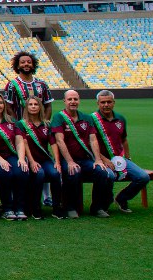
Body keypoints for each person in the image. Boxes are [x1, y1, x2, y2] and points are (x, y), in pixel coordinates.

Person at [51, 89, 113, 218]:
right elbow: (59, 141)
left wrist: (98, 160)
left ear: (79, 100)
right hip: (67, 160)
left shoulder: (87, 118)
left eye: (75, 99)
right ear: (64, 101)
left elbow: (93, 139)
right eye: (70, 99)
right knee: (73, 172)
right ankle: (71, 207)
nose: (73, 102)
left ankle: (97, 207)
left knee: (101, 172)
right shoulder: (58, 117)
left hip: (85, 159)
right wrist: (69, 161)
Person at [92, 90, 150, 213]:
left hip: (119, 159)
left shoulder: (120, 118)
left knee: (143, 177)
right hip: (102, 160)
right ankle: (104, 203)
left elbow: (124, 139)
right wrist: (104, 159)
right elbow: (90, 144)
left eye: (109, 102)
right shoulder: (92, 119)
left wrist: (127, 158)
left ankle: (122, 198)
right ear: (98, 103)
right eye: (103, 102)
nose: (106, 105)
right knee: (109, 176)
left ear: (114, 103)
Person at [17, 95, 65, 219]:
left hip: (45, 159)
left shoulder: (46, 124)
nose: (33, 107)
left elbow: (53, 143)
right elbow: (24, 143)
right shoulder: (21, 124)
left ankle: (56, 207)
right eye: (30, 104)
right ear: (26, 107)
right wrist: (32, 162)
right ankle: (35, 207)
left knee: (55, 173)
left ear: (40, 107)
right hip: (30, 160)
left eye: (36, 104)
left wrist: (57, 162)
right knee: (39, 174)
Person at [0, 92, 28, 220]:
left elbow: (19, 141)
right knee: (5, 173)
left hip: (11, 156)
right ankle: (7, 208)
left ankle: (19, 208)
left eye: (0, 102)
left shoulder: (12, 121)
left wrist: (21, 158)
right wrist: (0, 159)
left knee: (21, 171)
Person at [3, 51, 53, 119]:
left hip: (39, 127)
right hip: (21, 127)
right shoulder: (12, 85)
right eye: (22, 62)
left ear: (33, 65)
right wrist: (17, 125)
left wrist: (45, 124)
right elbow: (8, 107)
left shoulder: (42, 84)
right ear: (17, 66)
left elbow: (48, 106)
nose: (26, 64)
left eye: (29, 62)